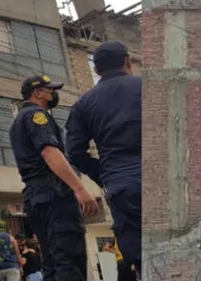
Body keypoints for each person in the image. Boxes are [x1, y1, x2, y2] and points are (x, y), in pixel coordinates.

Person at [10, 74, 98, 281]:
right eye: (50, 90)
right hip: (54, 195)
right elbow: (50, 152)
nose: (54, 94)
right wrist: (79, 188)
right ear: (38, 93)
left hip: (36, 196)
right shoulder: (37, 115)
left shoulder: (18, 121)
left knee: (52, 262)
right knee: (69, 259)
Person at [65, 41, 142, 279]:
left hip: (121, 186)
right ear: (128, 62)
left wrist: (106, 174)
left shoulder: (83, 104)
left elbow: (75, 152)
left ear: (97, 70)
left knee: (140, 254)